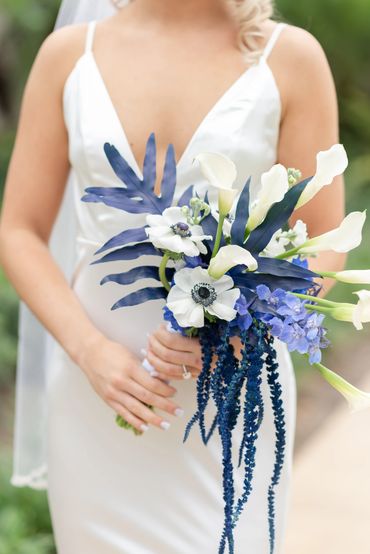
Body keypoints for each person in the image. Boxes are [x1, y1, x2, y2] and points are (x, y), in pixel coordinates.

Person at [0, 0, 346, 552]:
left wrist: (240, 334)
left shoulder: (289, 58)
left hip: (232, 390)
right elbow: (18, 229)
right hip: (96, 396)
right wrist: (89, 351)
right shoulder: (70, 55)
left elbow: (323, 242)